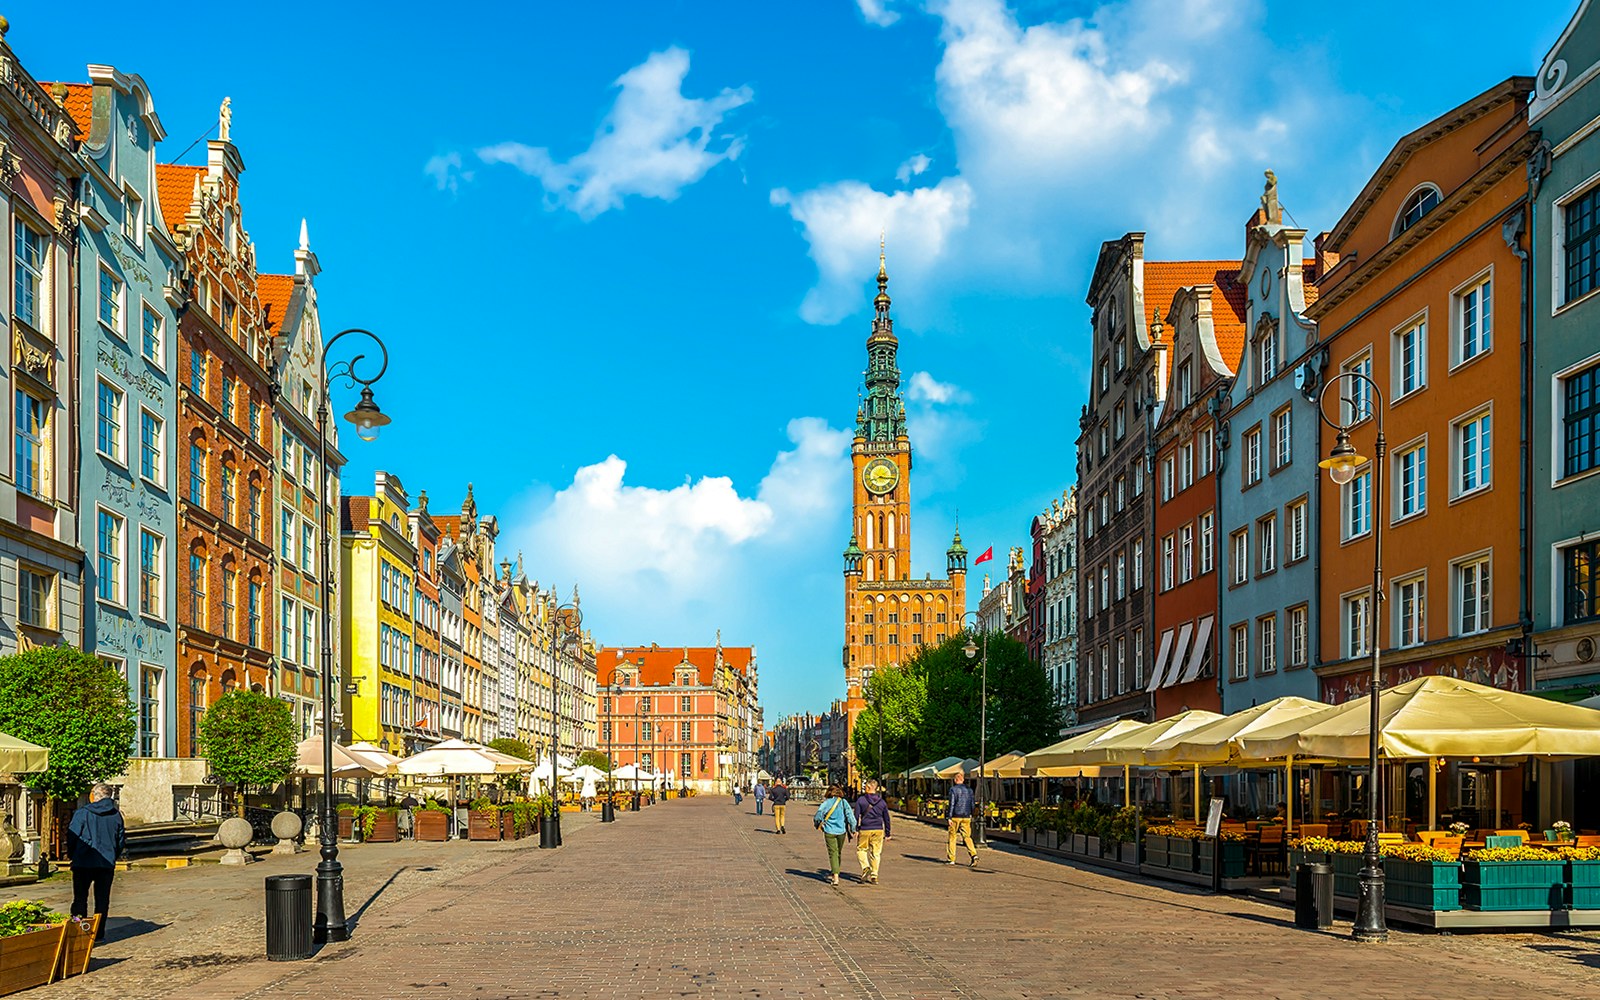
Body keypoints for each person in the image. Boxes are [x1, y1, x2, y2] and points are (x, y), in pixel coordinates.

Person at [66, 784, 125, 940]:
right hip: (105, 864)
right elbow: (120, 841)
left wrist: (73, 854)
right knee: (102, 900)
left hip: (83, 863)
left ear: (95, 795)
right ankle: (98, 933)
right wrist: (112, 856)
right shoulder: (116, 816)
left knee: (79, 898)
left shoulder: (83, 813)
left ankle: (80, 931)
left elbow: (72, 836)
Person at [813, 784, 858, 885]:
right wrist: (853, 828)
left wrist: (818, 824)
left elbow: (818, 814)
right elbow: (850, 816)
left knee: (833, 852)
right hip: (841, 831)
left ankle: (836, 876)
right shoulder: (843, 802)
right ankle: (835, 872)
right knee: (838, 852)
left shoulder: (827, 803)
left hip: (829, 831)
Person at [853, 779, 892, 885]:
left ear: (870, 787)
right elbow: (886, 818)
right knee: (876, 853)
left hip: (865, 829)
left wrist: (855, 829)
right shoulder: (882, 802)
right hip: (878, 829)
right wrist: (887, 833)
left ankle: (865, 867)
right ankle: (874, 875)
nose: (864, 788)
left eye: (866, 786)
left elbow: (856, 816)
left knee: (861, 849)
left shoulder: (861, 800)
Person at [946, 771, 979, 867]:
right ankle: (974, 854)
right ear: (963, 780)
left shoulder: (953, 790)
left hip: (956, 816)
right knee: (967, 837)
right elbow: (972, 804)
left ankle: (951, 859)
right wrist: (971, 813)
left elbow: (952, 803)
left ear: (955, 780)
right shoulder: (969, 790)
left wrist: (949, 817)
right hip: (966, 816)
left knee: (952, 837)